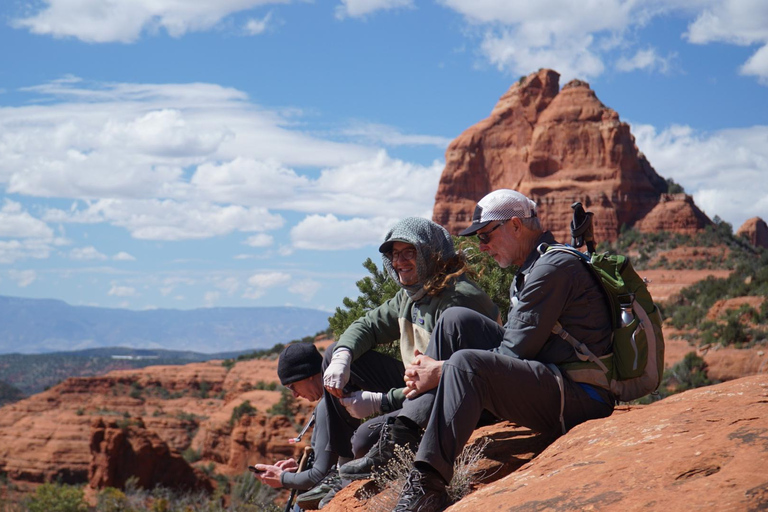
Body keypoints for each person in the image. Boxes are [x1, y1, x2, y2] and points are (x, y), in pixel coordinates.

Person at [390, 189, 616, 512]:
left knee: (465, 365)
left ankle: (426, 485)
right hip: (552, 376)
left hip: (581, 396)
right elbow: (515, 345)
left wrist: (439, 371)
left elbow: (511, 356)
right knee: (457, 321)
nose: (481, 247)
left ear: (514, 226)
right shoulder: (533, 266)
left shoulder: (552, 269)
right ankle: (410, 429)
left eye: (485, 236)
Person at [322, 217, 500, 480]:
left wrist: (381, 402)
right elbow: (369, 325)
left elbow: (442, 380)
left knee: (364, 439)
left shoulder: (455, 299)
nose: (398, 262)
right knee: (334, 352)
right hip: (417, 385)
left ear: (431, 253)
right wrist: (342, 357)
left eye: (409, 252)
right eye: (395, 254)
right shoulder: (414, 293)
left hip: (460, 398)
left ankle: (391, 457)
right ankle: (338, 467)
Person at [251, 343, 340, 509]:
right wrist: (298, 470)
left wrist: (282, 478)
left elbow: (319, 475)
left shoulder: (327, 406)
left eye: (292, 386)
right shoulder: (334, 396)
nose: (295, 394)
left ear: (308, 375)